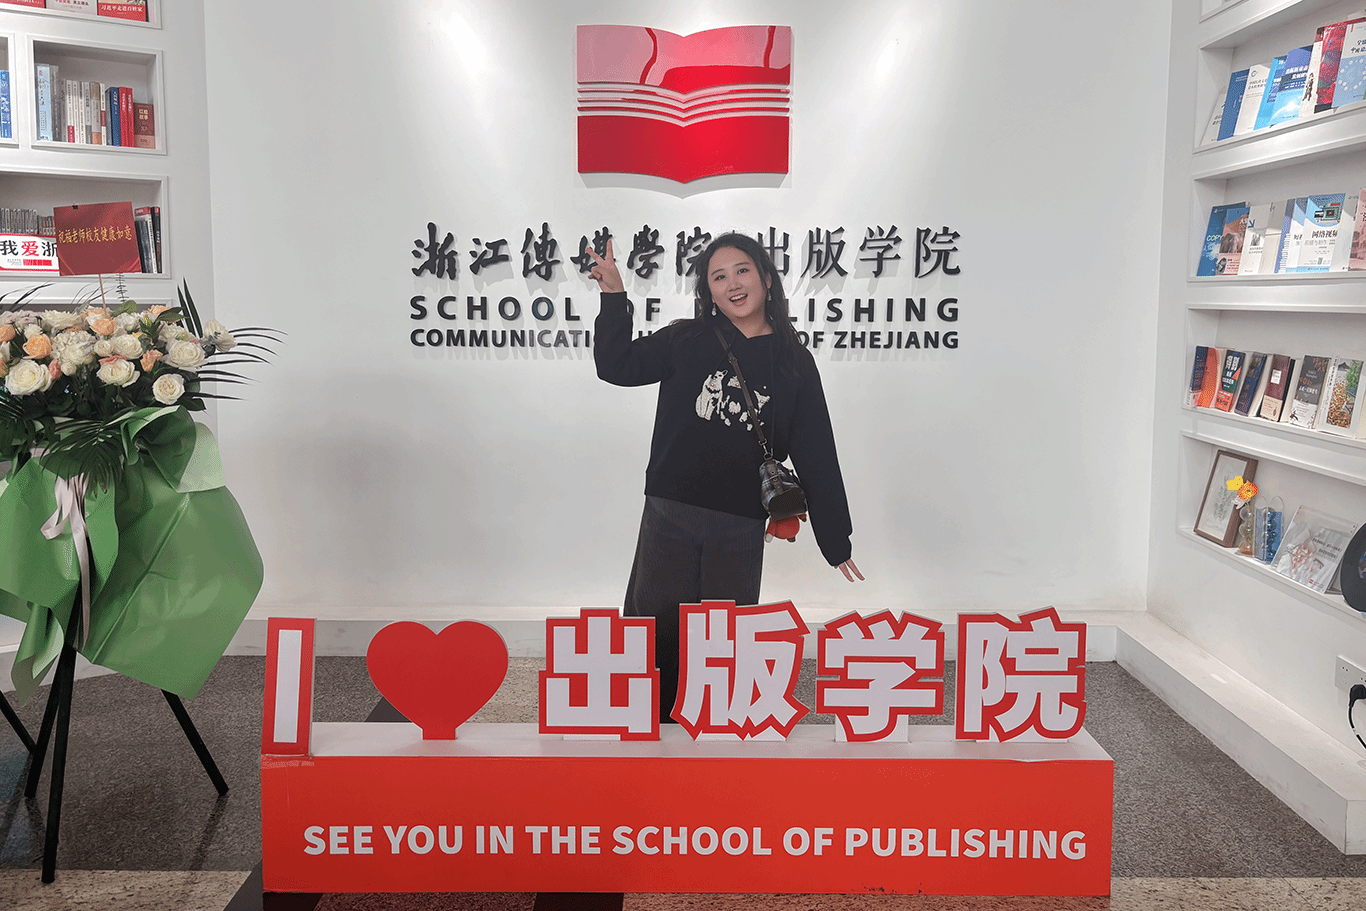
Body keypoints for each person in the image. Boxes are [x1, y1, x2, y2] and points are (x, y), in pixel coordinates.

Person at [588, 232, 862, 724]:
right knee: (656, 632)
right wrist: (613, 296)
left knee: (721, 637)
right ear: (708, 292)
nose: (733, 284)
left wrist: (835, 538)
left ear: (766, 279)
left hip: (739, 521)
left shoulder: (793, 360)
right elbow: (616, 366)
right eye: (719, 277)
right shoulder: (685, 339)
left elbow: (817, 451)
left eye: (742, 271)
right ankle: (649, 729)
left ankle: (711, 735)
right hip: (670, 510)